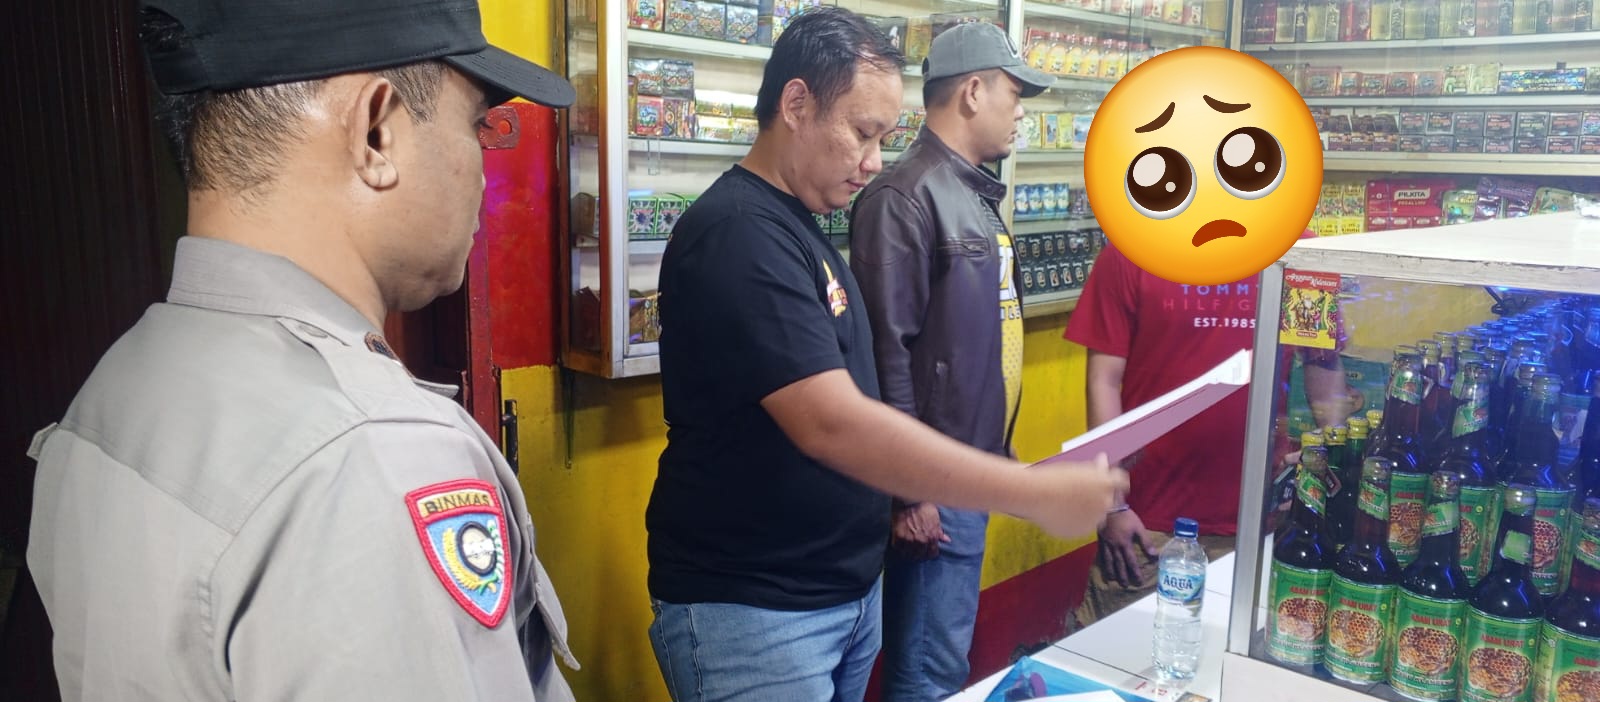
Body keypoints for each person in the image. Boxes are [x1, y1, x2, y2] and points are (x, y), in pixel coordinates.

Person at [25, 1, 581, 700]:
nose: (482, 172)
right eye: (476, 125)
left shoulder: (122, 381)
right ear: (376, 132)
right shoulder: (372, 454)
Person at [646, 8, 1128, 702]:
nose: (873, 161)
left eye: (883, 138)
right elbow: (832, 421)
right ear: (796, 104)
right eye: (862, 133)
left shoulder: (799, 226)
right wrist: (1030, 492)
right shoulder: (738, 234)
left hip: (833, 595)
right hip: (758, 611)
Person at [847, 21, 1054, 702]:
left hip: (963, 468)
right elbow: (886, 353)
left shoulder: (970, 193)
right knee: (927, 671)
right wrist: (911, 491)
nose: (1020, 112)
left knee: (938, 660)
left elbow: (972, 345)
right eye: (1014, 94)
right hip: (934, 482)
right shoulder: (905, 197)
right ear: (972, 92)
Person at [1064, 234, 1355, 629]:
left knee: (1242, 654)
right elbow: (1103, 381)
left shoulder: (1295, 250)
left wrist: (1332, 460)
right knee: (1117, 654)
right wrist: (1111, 504)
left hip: (1264, 517)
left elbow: (1322, 365)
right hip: (1150, 526)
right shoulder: (1134, 247)